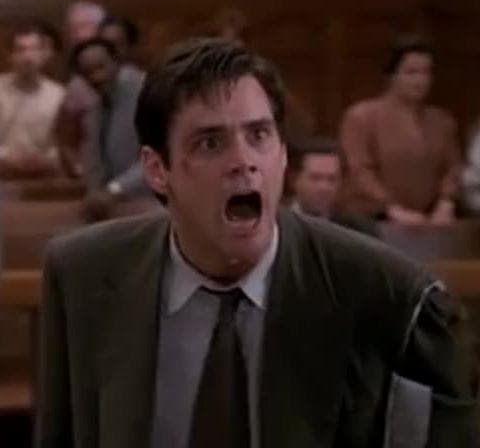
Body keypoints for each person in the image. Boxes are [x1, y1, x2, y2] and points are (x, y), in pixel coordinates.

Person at [37, 38, 478, 448]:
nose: (244, 161)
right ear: (156, 170)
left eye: (259, 135)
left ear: (283, 154)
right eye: (211, 142)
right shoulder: (83, 273)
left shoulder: (387, 292)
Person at [340, 35, 461, 225]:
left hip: (428, 221)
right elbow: (359, 170)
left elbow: (452, 169)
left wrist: (446, 203)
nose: (420, 80)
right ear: (391, 76)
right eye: (411, 72)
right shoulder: (362, 116)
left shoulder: (441, 120)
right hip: (372, 220)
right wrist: (391, 208)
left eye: (426, 72)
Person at [70, 37, 146, 219]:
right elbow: (95, 163)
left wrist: (114, 190)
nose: (96, 77)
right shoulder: (97, 105)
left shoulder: (146, 94)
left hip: (154, 203)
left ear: (116, 62)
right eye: (87, 72)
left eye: (100, 67)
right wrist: (96, 193)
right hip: (116, 207)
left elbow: (162, 156)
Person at [0, 25, 65, 179]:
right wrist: (7, 157)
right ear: (10, 55)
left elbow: (65, 143)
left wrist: (47, 159)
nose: (27, 57)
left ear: (43, 54)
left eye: (34, 49)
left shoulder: (59, 95)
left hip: (45, 181)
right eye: (21, 50)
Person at [54, 1, 106, 177]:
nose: (77, 34)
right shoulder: (60, 72)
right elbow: (65, 136)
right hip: (79, 170)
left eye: (84, 26)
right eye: (72, 28)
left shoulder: (120, 72)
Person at [288, 138, 377, 236]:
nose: (324, 187)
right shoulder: (278, 223)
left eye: (332, 179)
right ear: (294, 179)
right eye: (315, 178)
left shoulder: (359, 229)